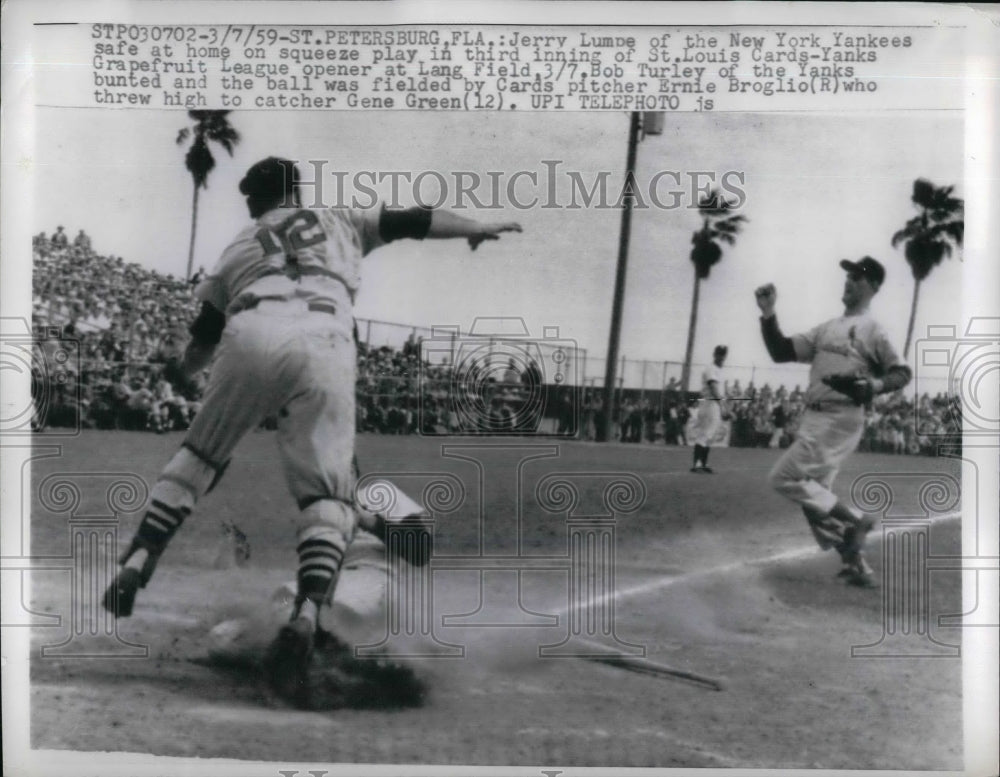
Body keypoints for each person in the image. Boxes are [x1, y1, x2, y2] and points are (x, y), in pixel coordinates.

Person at [102, 156, 522, 701]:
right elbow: (414, 219)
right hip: (326, 335)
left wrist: (181, 372)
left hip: (253, 327)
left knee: (200, 459)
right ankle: (308, 617)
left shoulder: (240, 245)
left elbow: (203, 338)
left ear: (257, 199)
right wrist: (474, 227)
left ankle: (144, 555)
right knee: (315, 522)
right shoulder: (340, 217)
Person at [754, 256, 912, 587]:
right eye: (848, 275)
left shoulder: (873, 329)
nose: (849, 280)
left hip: (840, 415)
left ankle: (857, 521)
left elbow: (901, 373)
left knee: (785, 477)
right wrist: (768, 314)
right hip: (815, 415)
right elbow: (781, 351)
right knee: (816, 501)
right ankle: (858, 567)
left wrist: (874, 386)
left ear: (874, 286)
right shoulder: (826, 328)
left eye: (858, 276)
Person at [689, 345, 730, 472]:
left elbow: (720, 391)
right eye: (720, 355)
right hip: (709, 404)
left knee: (710, 435)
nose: (722, 358)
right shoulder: (710, 369)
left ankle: (703, 464)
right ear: (715, 355)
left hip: (714, 405)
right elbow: (714, 389)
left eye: (723, 355)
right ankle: (697, 464)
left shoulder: (719, 370)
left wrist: (723, 406)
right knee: (705, 434)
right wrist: (722, 406)